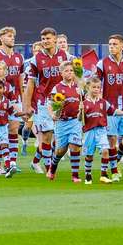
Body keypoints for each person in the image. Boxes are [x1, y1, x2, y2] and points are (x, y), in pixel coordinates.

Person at [22, 27, 71, 173]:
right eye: (43, 39)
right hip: (43, 102)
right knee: (47, 136)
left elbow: (72, 77)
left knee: (58, 140)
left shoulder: (66, 56)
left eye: (48, 38)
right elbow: (30, 84)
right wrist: (27, 106)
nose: (45, 41)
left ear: (55, 39)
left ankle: (36, 161)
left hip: (62, 102)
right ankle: (50, 169)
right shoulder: (36, 60)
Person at [93, 34, 123, 181]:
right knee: (112, 140)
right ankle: (115, 171)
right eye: (110, 44)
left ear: (122, 46)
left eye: (115, 44)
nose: (111, 47)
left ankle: (115, 160)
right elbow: (94, 83)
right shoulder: (102, 63)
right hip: (109, 109)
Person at [0, 27, 24, 171]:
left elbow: (21, 81)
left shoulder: (18, 57)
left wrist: (23, 100)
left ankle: (12, 163)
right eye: (9, 36)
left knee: (14, 129)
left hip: (14, 98)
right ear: (1, 38)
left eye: (13, 36)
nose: (12, 38)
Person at [47, 61, 83, 182]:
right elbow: (50, 104)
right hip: (62, 122)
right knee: (61, 150)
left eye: (71, 70)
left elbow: (86, 100)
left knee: (75, 146)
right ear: (61, 73)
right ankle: (52, 167)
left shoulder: (79, 87)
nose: (69, 73)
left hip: (75, 121)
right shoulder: (57, 88)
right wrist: (52, 114)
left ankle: (75, 175)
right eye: (66, 71)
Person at [81, 75, 119, 185]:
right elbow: (80, 119)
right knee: (89, 155)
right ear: (88, 88)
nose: (96, 90)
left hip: (101, 130)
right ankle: (88, 174)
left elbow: (114, 111)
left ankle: (103, 174)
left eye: (98, 87)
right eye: (94, 87)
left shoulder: (103, 102)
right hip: (89, 131)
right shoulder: (84, 103)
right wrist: (80, 111)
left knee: (105, 150)